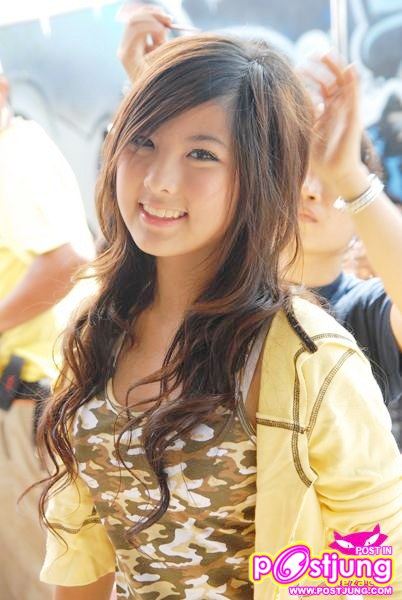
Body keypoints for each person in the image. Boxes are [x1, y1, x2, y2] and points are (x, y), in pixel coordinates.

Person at [36, 28, 402, 600]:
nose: (158, 180)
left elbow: (380, 563)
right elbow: (81, 552)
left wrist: (351, 178)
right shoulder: (93, 331)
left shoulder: (307, 356)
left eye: (202, 154)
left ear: (258, 178)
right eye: (143, 140)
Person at [0, 69, 95, 600]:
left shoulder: (14, 157)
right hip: (28, 402)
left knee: (30, 582)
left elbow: (66, 260)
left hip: (24, 401)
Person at [287, 53, 402, 445]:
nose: (309, 189)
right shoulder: (214, 294)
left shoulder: (364, 312)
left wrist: (349, 174)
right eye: (296, 169)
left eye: (329, 176)